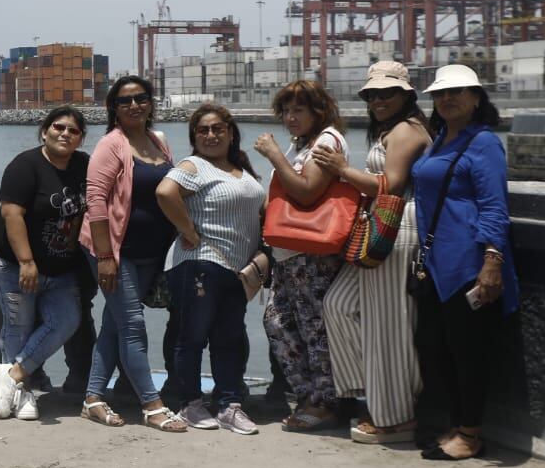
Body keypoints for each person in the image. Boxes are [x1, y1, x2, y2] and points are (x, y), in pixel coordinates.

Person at [314, 62, 432, 444]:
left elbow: (390, 185)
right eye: (372, 95)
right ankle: (374, 391)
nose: (378, 101)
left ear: (405, 95)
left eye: (386, 94)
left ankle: (396, 417)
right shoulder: (392, 130)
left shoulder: (407, 130)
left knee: (389, 325)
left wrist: (341, 169)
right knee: (338, 305)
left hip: (397, 227)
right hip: (381, 228)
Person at [410, 64, 518, 461]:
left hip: (468, 263)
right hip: (436, 263)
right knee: (436, 348)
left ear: (476, 98)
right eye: (440, 93)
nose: (446, 99)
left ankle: (470, 435)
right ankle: (456, 425)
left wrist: (492, 259)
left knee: (468, 352)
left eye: (456, 92)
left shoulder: (484, 143)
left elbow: (494, 205)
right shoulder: (440, 139)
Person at [78, 76, 187, 432]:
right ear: (114, 108)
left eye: (141, 98)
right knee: (132, 325)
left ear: (151, 103)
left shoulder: (159, 141)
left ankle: (93, 398)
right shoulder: (111, 145)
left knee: (115, 325)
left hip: (149, 251)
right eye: (124, 101)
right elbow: (95, 201)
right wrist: (105, 257)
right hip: (114, 251)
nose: (134, 105)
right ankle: (152, 405)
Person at [156, 104, 266, 434]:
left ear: (231, 133)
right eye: (202, 130)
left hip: (236, 269)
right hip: (200, 263)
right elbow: (165, 192)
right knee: (192, 337)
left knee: (229, 338)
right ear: (194, 137)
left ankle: (230, 405)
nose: (211, 135)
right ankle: (190, 402)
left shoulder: (240, 168)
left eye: (218, 128)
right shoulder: (195, 166)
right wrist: (189, 231)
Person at [254, 80, 347, 432]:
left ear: (318, 111)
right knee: (278, 322)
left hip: (312, 253)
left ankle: (325, 404)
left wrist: (273, 155)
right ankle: (309, 396)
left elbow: (308, 192)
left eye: (299, 110)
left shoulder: (326, 142)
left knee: (315, 330)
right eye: (286, 111)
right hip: (288, 254)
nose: (290, 117)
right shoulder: (302, 144)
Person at [0, 106, 89, 421]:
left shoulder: (84, 165)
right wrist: (26, 261)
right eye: (58, 127)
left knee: (67, 320)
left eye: (73, 130)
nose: (65, 134)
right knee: (18, 326)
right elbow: (11, 214)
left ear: (81, 138)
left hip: (61, 269)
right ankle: (23, 393)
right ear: (44, 132)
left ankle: (12, 375)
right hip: (15, 264)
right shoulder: (25, 166)